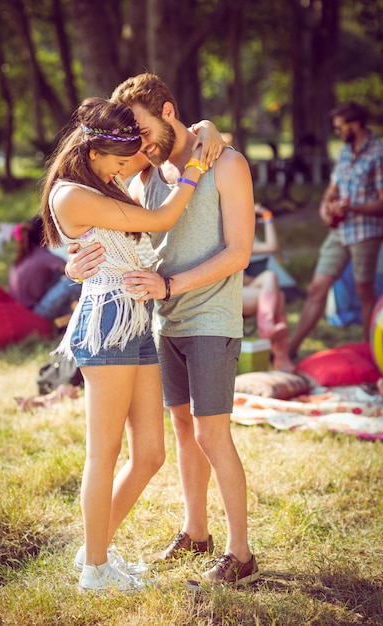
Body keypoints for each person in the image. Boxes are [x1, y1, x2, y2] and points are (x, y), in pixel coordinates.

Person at [66, 73, 259, 588]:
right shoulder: (145, 179)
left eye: (148, 132)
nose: (143, 147)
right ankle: (195, 533)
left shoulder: (226, 162)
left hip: (209, 318)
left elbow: (240, 252)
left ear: (169, 111)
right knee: (180, 431)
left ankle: (241, 554)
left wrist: (170, 285)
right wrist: (78, 262)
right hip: (160, 321)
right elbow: (116, 237)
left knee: (211, 434)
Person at [41, 96, 207, 592]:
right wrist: (197, 168)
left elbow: (159, 144)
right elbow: (160, 221)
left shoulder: (103, 177)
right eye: (117, 159)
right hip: (107, 319)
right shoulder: (71, 194)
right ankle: (94, 569)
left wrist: (206, 130)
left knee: (151, 453)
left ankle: (94, 551)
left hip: (136, 318)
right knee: (104, 453)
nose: (125, 167)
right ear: (92, 152)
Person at [288, 101, 383, 359]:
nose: (338, 132)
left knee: (365, 292)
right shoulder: (343, 152)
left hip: (366, 232)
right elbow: (333, 189)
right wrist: (326, 207)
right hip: (339, 232)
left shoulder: (378, 154)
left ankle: (371, 353)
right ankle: (290, 349)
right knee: (318, 287)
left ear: (356, 125)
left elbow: (382, 202)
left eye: (340, 127)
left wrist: (352, 209)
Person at [243, 204, 294, 372]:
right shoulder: (217, 238)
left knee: (271, 280)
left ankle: (268, 326)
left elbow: (272, 247)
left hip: (242, 289)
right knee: (277, 296)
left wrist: (267, 216)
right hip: (222, 294)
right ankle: (281, 357)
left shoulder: (238, 240)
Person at [8, 216, 81, 321]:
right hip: (35, 314)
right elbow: (72, 270)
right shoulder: (43, 256)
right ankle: (86, 310)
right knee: (73, 282)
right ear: (43, 234)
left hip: (20, 312)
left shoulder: (24, 256)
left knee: (58, 276)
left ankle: (72, 314)